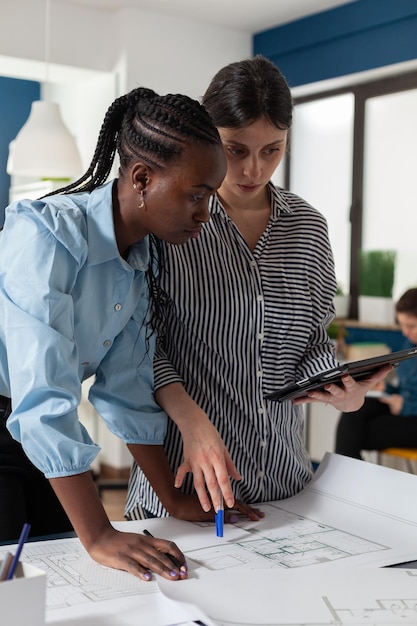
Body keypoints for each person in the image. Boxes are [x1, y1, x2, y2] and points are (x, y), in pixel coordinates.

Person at [125, 56, 391, 523]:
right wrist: (191, 420)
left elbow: (311, 341)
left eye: (272, 150)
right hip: (184, 484)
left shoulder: (308, 227)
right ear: (208, 137)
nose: (253, 169)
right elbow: (139, 343)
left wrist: (345, 392)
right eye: (236, 149)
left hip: (285, 484)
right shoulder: (168, 221)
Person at [0, 85, 227, 581]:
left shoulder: (137, 265)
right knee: (14, 586)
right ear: (142, 178)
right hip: (17, 419)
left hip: (32, 433)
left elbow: (125, 389)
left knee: (66, 579)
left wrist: (172, 499)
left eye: (210, 196)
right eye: (196, 194)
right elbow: (43, 395)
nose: (205, 214)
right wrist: (101, 534)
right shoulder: (47, 235)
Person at [335, 288, 417, 459]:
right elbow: (407, 389)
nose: (404, 332)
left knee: (355, 435)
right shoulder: (409, 344)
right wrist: (385, 389)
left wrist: (407, 407)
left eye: (411, 326)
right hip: (403, 409)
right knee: (354, 412)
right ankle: (349, 476)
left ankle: (347, 478)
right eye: (401, 325)